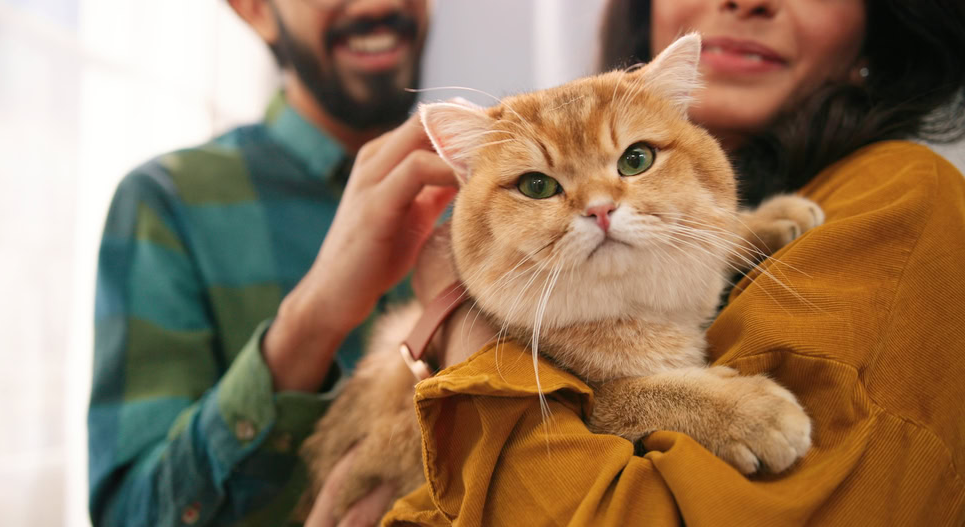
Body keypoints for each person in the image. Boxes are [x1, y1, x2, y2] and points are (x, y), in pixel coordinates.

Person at [379, 0, 965, 524]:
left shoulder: (903, 196)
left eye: (633, 159)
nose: (598, 205)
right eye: (539, 183)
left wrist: (459, 326)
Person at [88, 0, 456, 525]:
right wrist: (311, 319)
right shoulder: (167, 203)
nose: (380, 4)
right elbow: (131, 517)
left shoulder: (508, 190)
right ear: (255, 9)